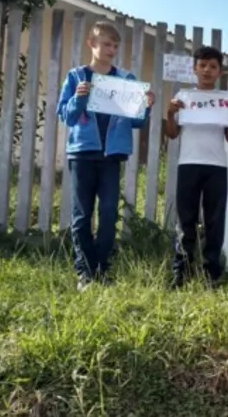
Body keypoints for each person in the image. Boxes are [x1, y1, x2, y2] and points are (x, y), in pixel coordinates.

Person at [56, 20, 155, 292]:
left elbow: (136, 123)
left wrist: (146, 108)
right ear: (92, 44)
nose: (111, 49)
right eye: (106, 44)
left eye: (115, 45)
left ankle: (101, 269)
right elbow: (66, 115)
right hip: (83, 154)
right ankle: (84, 273)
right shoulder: (77, 76)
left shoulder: (126, 80)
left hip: (112, 157)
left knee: (109, 213)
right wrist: (78, 98)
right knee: (81, 215)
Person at [165, 46, 228, 288]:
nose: (207, 70)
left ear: (220, 71)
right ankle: (182, 272)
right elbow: (172, 134)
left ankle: (212, 273)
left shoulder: (225, 100)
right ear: (195, 69)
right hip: (188, 164)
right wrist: (169, 114)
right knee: (185, 221)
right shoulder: (183, 97)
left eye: (213, 66)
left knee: (214, 221)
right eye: (203, 65)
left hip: (216, 166)